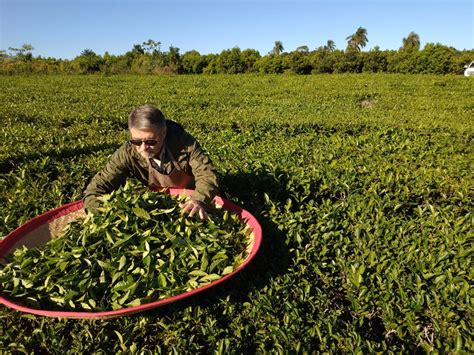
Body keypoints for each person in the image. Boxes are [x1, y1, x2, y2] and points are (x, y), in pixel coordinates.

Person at [83, 105, 218, 219]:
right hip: (158, 200)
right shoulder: (127, 153)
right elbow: (98, 186)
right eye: (136, 141)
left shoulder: (183, 142)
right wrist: (101, 213)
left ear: (163, 133)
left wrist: (198, 199)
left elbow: (206, 173)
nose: (143, 148)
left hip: (190, 197)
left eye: (150, 141)